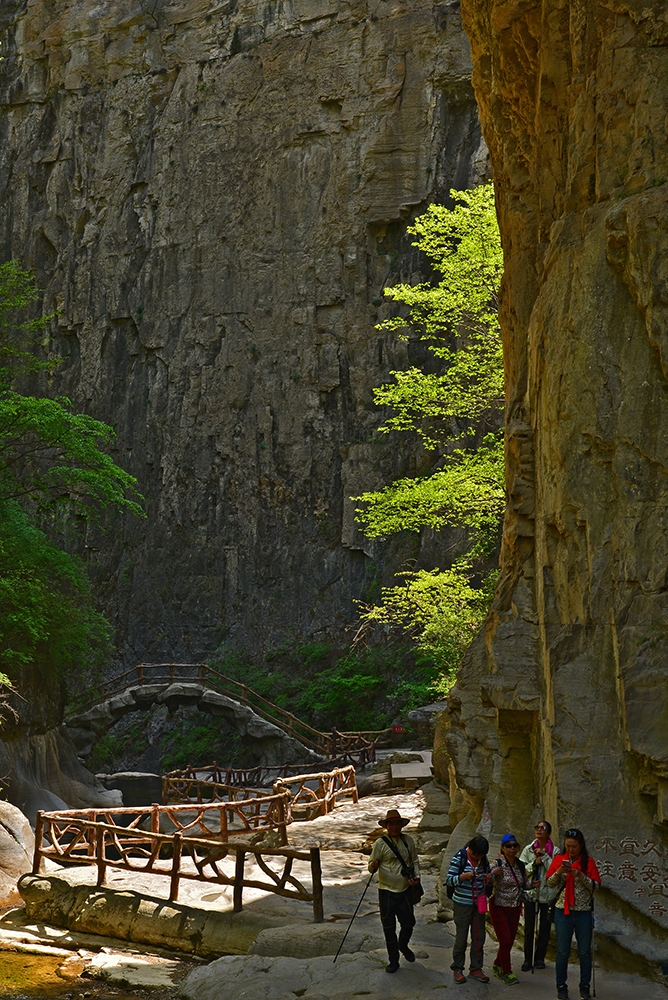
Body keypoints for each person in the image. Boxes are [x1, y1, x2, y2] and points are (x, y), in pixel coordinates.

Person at [546, 828, 601, 1000]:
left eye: (574, 846)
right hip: (562, 911)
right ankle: (561, 986)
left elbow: (596, 886)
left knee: (584, 952)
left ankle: (584, 986)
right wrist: (559, 872)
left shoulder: (588, 862)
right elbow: (550, 883)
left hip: (584, 913)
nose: (570, 849)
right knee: (563, 952)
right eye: (568, 846)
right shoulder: (558, 860)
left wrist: (581, 875)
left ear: (581, 845)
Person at [368, 808, 421, 973]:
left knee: (409, 923)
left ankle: (403, 946)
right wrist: (374, 865)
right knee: (388, 927)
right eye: (391, 824)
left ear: (401, 825)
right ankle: (393, 960)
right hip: (386, 892)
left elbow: (415, 861)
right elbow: (370, 868)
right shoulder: (379, 844)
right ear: (387, 826)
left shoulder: (408, 841)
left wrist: (417, 877)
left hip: (405, 890)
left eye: (397, 824)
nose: (394, 827)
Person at [489, 834, 540, 985]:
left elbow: (524, 884)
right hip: (498, 907)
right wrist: (492, 874)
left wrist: (533, 884)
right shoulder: (497, 864)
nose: (512, 848)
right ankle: (507, 972)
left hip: (515, 907)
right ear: (503, 848)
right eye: (508, 846)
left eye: (514, 845)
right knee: (505, 941)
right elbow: (486, 880)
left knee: (509, 941)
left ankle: (497, 964)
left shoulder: (520, 864)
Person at [445, 835, 494, 985]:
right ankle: (457, 968)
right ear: (470, 849)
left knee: (479, 938)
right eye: (476, 855)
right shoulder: (459, 858)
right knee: (461, 938)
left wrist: (489, 878)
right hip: (462, 904)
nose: (478, 857)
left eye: (481, 855)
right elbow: (449, 880)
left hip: (478, 904)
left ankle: (476, 968)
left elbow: (487, 878)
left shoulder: (483, 860)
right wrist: (463, 877)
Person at [519, 820, 556, 971]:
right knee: (529, 927)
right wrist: (534, 864)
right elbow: (521, 871)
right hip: (531, 894)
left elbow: (555, 871)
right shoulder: (528, 850)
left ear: (548, 832)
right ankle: (528, 959)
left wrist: (545, 857)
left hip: (547, 895)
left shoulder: (556, 851)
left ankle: (540, 958)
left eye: (543, 828)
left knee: (545, 927)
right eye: (537, 828)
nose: (539, 830)